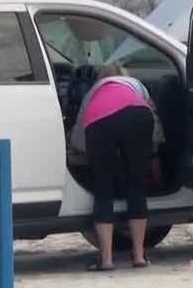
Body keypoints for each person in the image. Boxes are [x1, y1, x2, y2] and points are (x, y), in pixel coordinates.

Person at [69, 64, 163, 271]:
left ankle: (107, 259)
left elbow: (79, 133)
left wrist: (84, 154)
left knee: (103, 190)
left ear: (101, 78)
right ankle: (139, 256)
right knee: (136, 186)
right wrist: (153, 152)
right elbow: (154, 119)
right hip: (139, 116)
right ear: (124, 75)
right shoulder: (136, 85)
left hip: (100, 120)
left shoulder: (93, 91)